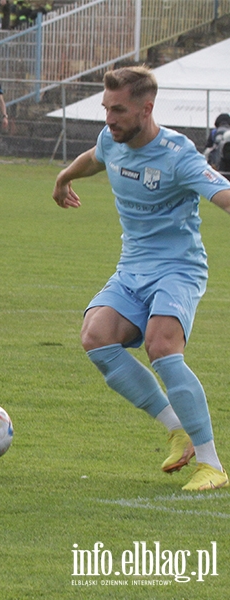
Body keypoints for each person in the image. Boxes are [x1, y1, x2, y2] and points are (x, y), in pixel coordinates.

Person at [52, 66, 230, 492]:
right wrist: (63, 179)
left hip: (178, 268)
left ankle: (212, 465)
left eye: (118, 110)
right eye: (105, 109)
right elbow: (94, 159)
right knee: (96, 337)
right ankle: (176, 429)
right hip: (132, 268)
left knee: (161, 345)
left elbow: (223, 195)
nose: (109, 118)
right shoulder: (111, 141)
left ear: (146, 109)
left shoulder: (179, 155)